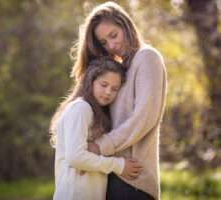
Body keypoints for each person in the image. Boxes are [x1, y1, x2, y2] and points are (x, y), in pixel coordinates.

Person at [70, 2, 167, 200]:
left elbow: (144, 117)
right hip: (114, 174)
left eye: (113, 35)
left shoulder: (147, 57)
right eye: (104, 43)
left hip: (134, 180)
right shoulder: (119, 69)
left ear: (126, 25)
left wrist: (99, 146)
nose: (111, 46)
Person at [49, 57, 143, 200]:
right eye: (103, 84)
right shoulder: (81, 108)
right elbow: (75, 157)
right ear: (90, 81)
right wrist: (118, 165)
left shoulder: (96, 113)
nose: (108, 92)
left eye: (114, 89)